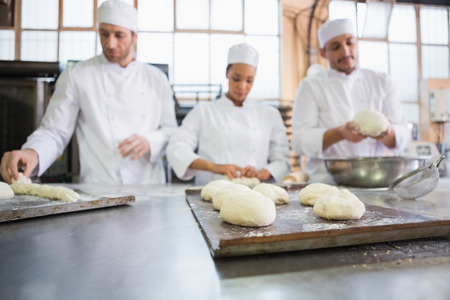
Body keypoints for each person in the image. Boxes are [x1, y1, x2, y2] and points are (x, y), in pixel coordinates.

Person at [0, 0, 177, 184]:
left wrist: (150, 141)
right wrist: (32, 152)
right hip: (99, 186)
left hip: (149, 186)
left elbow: (171, 131)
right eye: (104, 34)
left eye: (119, 35)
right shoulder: (77, 75)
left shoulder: (156, 79)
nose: (111, 43)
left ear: (134, 37)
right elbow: (54, 131)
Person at [291, 18, 411, 176]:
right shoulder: (310, 86)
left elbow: (403, 133)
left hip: (373, 176)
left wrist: (387, 133)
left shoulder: (381, 81)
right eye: (335, 47)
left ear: (357, 42)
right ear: (323, 53)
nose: (346, 51)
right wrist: (340, 133)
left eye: (350, 43)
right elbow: (300, 141)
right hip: (326, 181)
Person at [166, 43, 291, 185]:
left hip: (255, 193)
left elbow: (282, 161)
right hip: (210, 193)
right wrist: (214, 167)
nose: (242, 86)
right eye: (236, 78)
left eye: (249, 80)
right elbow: (176, 148)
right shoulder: (204, 111)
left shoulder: (269, 115)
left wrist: (264, 172)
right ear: (227, 73)